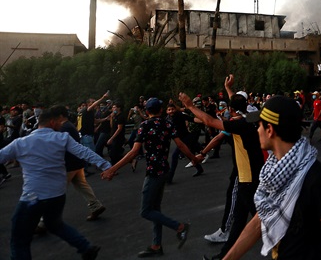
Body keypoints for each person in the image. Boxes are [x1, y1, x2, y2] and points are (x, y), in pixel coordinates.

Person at [218, 96, 321, 260]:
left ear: (270, 130)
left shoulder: (318, 181)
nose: (257, 130)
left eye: (259, 125)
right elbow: (257, 222)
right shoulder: (274, 173)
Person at [0, 106, 110, 260]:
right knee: (55, 224)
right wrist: (107, 166)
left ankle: (85, 247)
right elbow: (84, 152)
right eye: (59, 121)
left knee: (19, 238)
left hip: (33, 197)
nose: (61, 124)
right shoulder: (62, 138)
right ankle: (85, 247)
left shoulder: (21, 143)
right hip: (57, 195)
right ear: (52, 122)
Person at [179, 74, 265, 260]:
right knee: (240, 222)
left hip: (248, 180)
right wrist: (228, 89)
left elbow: (210, 122)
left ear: (231, 109)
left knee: (263, 221)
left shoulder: (239, 125)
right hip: (250, 177)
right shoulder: (253, 117)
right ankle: (223, 256)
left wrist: (190, 106)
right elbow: (237, 105)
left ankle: (291, 246)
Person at [101, 98, 195, 258]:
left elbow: (134, 151)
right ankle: (156, 245)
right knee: (155, 209)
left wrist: (113, 168)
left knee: (145, 211)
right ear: (161, 110)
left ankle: (179, 227)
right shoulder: (167, 124)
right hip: (164, 169)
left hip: (153, 171)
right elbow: (180, 145)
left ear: (147, 111)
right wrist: (194, 158)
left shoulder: (145, 126)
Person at [59, 110, 107, 222]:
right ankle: (95, 205)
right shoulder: (70, 126)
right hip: (77, 163)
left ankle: (44, 220)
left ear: (60, 116)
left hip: (68, 164)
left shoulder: (64, 128)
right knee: (82, 186)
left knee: (55, 191)